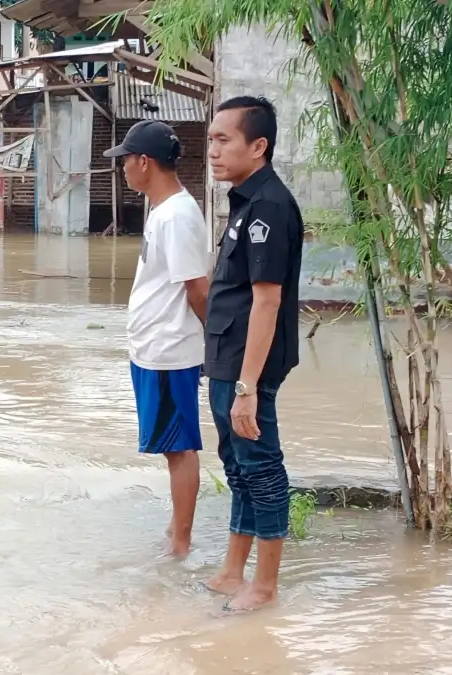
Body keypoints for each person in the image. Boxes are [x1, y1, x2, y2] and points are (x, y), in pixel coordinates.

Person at [203, 96, 304, 611]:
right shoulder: (244, 200)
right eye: (211, 139)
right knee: (237, 464)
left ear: (258, 146)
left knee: (261, 465)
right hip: (227, 355)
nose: (213, 151)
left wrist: (246, 387)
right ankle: (231, 570)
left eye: (225, 140)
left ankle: (264, 587)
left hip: (250, 364)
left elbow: (268, 301)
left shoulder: (269, 205)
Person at [103, 120, 210, 558]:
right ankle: (175, 529)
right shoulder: (162, 212)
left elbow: (198, 289)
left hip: (170, 349)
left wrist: (213, 345)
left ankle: (181, 545)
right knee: (171, 445)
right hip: (153, 347)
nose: (123, 168)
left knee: (179, 447)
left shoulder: (178, 216)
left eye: (126, 159)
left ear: (144, 162)